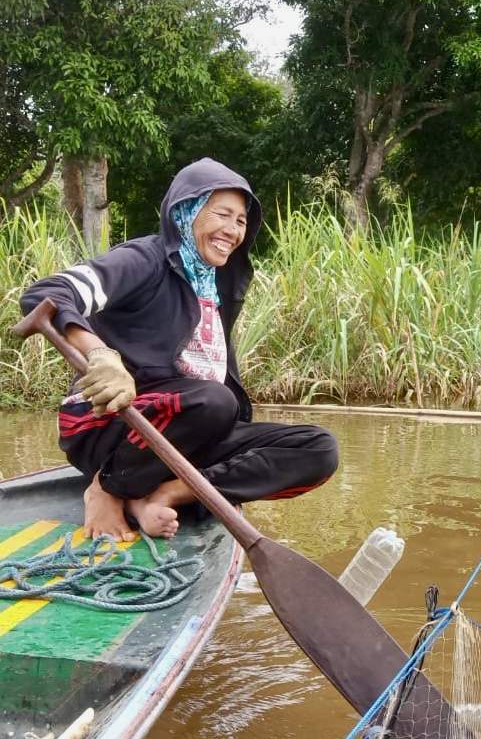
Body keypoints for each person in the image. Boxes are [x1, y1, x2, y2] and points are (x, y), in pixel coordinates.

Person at [21, 158, 339, 542]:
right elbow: (48, 294)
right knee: (215, 402)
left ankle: (163, 493)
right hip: (112, 424)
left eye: (241, 221)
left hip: (191, 431)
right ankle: (107, 487)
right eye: (222, 214)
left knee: (318, 450)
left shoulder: (212, 285)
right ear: (185, 212)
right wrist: (101, 355)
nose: (232, 230)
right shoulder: (145, 259)